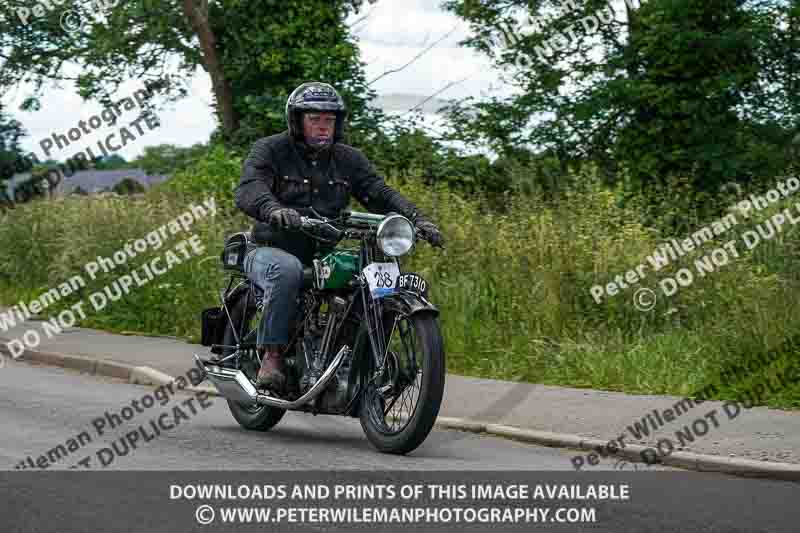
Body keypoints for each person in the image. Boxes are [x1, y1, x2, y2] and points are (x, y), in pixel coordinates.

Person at [234, 81, 444, 391]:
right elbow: (250, 187)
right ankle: (273, 355)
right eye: (314, 119)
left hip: (323, 251)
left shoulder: (348, 159)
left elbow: (378, 192)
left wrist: (417, 219)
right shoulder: (271, 150)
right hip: (271, 247)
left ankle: (351, 357)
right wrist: (273, 209)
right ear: (297, 121)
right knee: (287, 271)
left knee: (361, 277)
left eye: (329, 120)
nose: (323, 126)